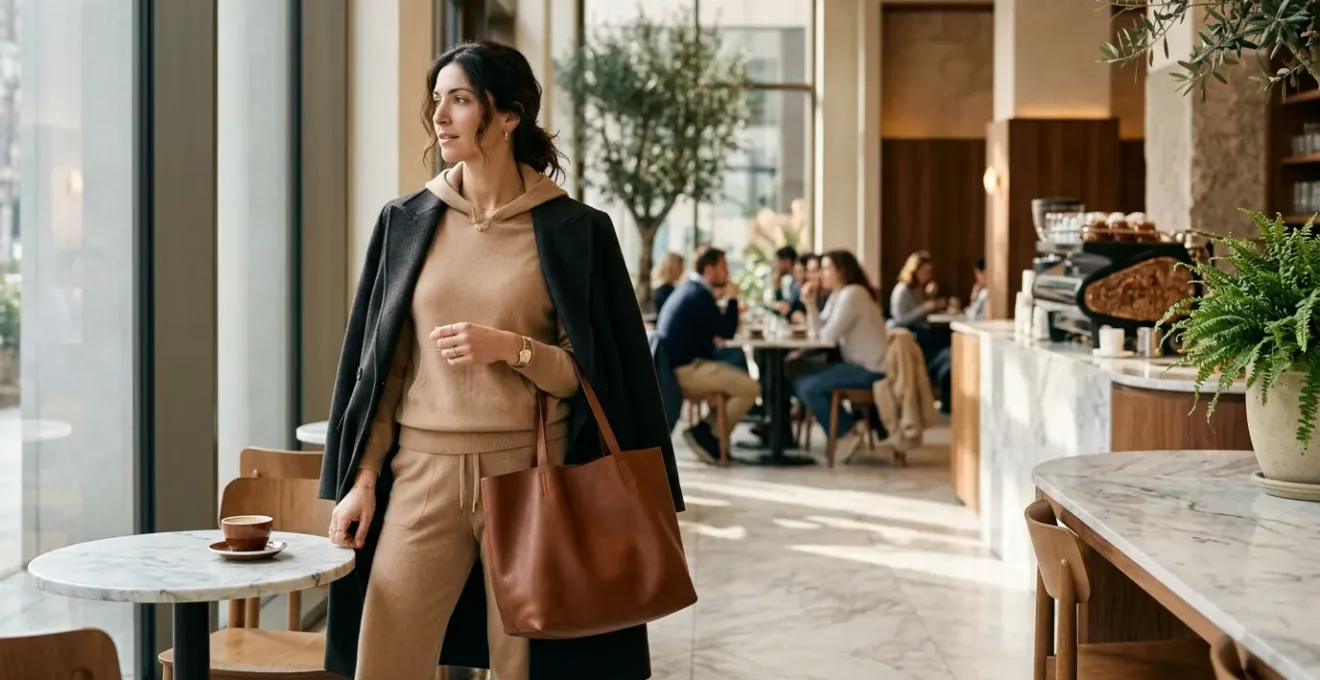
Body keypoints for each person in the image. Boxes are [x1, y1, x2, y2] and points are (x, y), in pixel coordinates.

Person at [317, 40, 681, 680]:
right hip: (422, 470)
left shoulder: (575, 229)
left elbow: (589, 373)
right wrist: (364, 479)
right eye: (437, 100)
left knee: (526, 665)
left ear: (509, 116)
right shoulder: (407, 220)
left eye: (459, 100)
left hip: (532, 470)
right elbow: (383, 369)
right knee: (386, 656)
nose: (441, 116)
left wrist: (510, 349)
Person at [656, 248, 761, 465]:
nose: (728, 274)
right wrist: (733, 299)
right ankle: (707, 434)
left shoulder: (691, 290)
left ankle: (707, 434)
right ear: (709, 269)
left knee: (734, 374)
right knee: (751, 388)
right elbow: (726, 331)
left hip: (679, 366)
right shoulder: (698, 295)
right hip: (684, 371)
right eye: (724, 268)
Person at [796, 250, 889, 460]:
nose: (821, 274)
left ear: (842, 271)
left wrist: (814, 315)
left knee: (807, 386)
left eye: (827, 268)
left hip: (870, 369)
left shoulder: (853, 294)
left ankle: (846, 432)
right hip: (856, 365)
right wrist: (810, 304)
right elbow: (818, 333)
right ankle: (851, 428)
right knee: (801, 379)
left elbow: (827, 337)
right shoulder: (839, 294)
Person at [651, 251, 685, 317]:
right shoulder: (665, 291)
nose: (683, 270)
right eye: (681, 266)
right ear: (673, 267)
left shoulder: (662, 288)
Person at [771, 245, 799, 317]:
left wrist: (777, 290)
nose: (776, 266)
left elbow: (786, 309)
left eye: (777, 262)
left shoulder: (797, 283)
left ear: (787, 262)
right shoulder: (792, 282)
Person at [965, 256, 989, 320]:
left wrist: (974, 295)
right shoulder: (983, 292)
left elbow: (973, 315)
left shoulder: (985, 293)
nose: (977, 278)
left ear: (983, 273)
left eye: (977, 274)